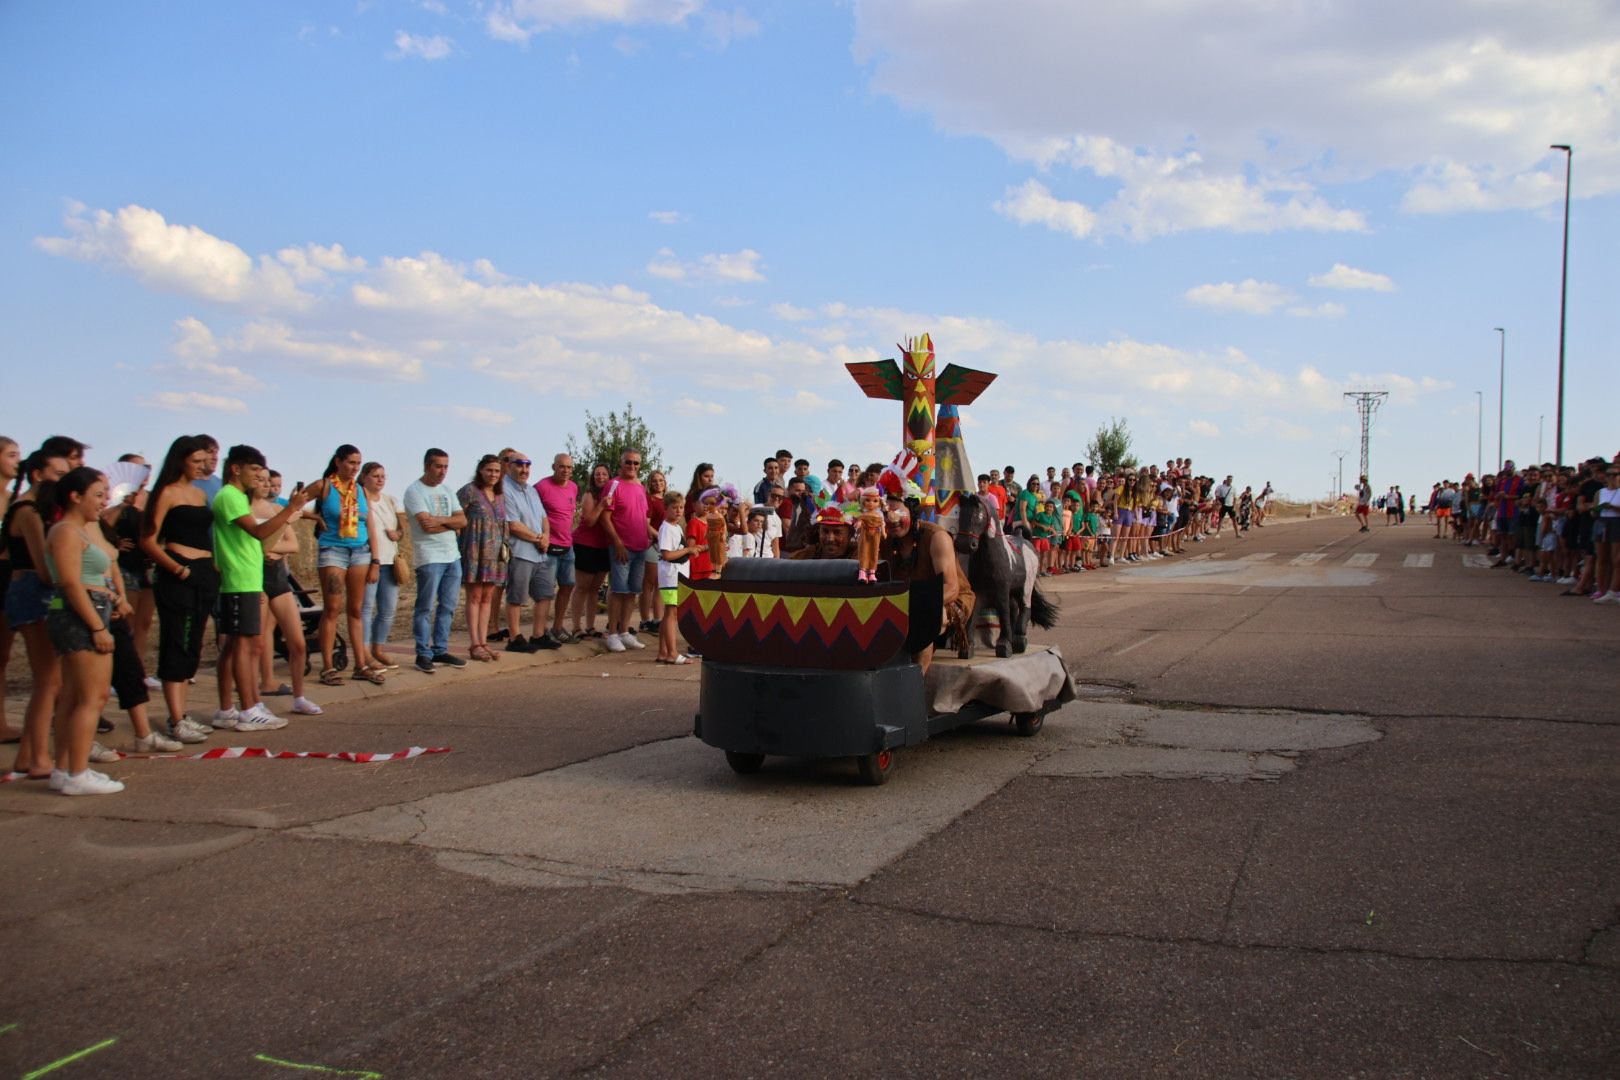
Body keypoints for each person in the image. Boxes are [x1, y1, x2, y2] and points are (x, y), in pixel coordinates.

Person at [211, 445, 309, 730]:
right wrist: (290, 510)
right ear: (235, 469)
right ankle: (248, 708)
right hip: (240, 578)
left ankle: (228, 708)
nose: (258, 476)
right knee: (244, 645)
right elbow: (258, 532)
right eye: (253, 470)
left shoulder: (235, 497)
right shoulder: (229, 496)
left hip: (248, 577)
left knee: (234, 646)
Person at [42, 467, 125, 794]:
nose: (104, 501)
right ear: (75, 497)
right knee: (94, 697)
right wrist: (96, 627)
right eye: (98, 495)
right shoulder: (65, 531)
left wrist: (113, 597)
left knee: (76, 697)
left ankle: (64, 769)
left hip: (92, 609)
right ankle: (77, 773)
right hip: (80, 617)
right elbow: (71, 584)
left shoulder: (83, 530)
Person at [138, 435, 218, 744]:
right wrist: (176, 568)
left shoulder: (198, 494)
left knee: (193, 643)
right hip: (178, 571)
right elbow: (148, 539)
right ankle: (174, 718)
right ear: (180, 460)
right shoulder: (167, 493)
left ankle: (182, 715)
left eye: (204, 461)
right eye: (195, 461)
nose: (202, 466)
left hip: (204, 571)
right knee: (177, 641)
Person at [5, 448, 72, 777]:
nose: (63, 479)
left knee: (50, 680)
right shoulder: (28, 510)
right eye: (58, 474)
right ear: (37, 475)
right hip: (34, 590)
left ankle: (28, 756)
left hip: (38, 588)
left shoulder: (39, 510)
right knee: (48, 681)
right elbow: (41, 566)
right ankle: (37, 758)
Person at [304, 444, 384, 686]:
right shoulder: (324, 486)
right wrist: (314, 516)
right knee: (332, 608)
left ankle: (361, 664)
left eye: (358, 464)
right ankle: (328, 667)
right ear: (338, 462)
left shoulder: (359, 489)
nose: (354, 468)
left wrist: (376, 560)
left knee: (356, 609)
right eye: (351, 463)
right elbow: (295, 503)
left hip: (360, 550)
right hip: (333, 550)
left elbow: (369, 523)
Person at [881, 497, 973, 675]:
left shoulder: (936, 536)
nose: (892, 519)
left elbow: (951, 588)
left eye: (898, 512)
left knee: (924, 616)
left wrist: (916, 604)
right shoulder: (884, 537)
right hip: (904, 599)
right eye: (886, 513)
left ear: (912, 511)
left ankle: (917, 680)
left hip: (947, 600)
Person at [252, 473, 320, 715]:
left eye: (269, 482)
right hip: (254, 578)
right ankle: (254, 700)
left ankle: (299, 697)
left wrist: (270, 548)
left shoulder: (275, 510)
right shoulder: (243, 511)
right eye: (261, 481)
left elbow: (292, 545)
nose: (266, 486)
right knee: (257, 642)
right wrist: (267, 547)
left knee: (298, 642)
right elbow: (251, 544)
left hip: (278, 577)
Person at [403, 448, 468, 675]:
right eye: (438, 466)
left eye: (446, 466)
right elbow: (425, 525)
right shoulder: (414, 491)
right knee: (425, 606)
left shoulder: (447, 490)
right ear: (427, 466)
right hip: (429, 556)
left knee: (448, 606)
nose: (442, 471)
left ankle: (440, 648)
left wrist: (441, 520)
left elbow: (463, 521)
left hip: (452, 555)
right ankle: (423, 652)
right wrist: (451, 523)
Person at [500, 451, 557, 653]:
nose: (524, 469)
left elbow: (543, 518)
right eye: (519, 465)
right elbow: (513, 525)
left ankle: (538, 634)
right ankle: (515, 638)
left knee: (545, 594)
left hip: (540, 552)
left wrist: (546, 537)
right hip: (521, 552)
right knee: (516, 596)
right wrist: (538, 538)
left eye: (527, 465)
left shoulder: (531, 491)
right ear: (508, 466)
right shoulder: (504, 490)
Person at [599, 449, 652, 653]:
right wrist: (617, 542)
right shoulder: (614, 485)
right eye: (628, 462)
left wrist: (650, 537)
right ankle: (612, 633)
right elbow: (605, 517)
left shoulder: (640, 486)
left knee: (632, 591)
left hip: (640, 547)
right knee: (618, 590)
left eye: (636, 463)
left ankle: (624, 631)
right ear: (621, 463)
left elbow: (642, 516)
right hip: (622, 547)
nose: (632, 467)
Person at [458, 454, 509, 662]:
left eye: (497, 471)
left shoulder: (499, 495)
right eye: (489, 470)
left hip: (495, 554)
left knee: (488, 597)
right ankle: (474, 643)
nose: (493, 474)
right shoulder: (469, 491)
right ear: (480, 470)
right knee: (475, 596)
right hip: (474, 551)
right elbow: (456, 518)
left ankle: (484, 641)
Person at [359, 461, 404, 669]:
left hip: (390, 561)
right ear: (364, 477)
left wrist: (398, 534)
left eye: (383, 476)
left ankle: (378, 648)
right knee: (366, 608)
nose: (380, 480)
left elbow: (400, 528)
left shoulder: (389, 501)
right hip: (368, 560)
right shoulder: (360, 499)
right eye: (376, 475)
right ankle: (365, 652)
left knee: (388, 609)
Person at [654, 490, 700, 665]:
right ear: (666, 509)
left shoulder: (677, 527)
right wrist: (688, 550)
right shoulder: (666, 528)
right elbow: (667, 554)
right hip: (671, 575)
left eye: (681, 507)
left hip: (676, 575)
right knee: (672, 614)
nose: (679, 511)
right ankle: (672, 652)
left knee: (669, 613)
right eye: (674, 507)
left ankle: (663, 652)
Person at [536, 453, 577, 645]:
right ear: (554, 467)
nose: (566, 471)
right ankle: (541, 630)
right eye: (562, 467)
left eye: (569, 467)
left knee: (568, 585)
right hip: (548, 546)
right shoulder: (541, 487)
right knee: (546, 591)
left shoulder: (573, 487)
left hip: (567, 545)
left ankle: (558, 627)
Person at [570, 463, 613, 640]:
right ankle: (576, 627)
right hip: (586, 545)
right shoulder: (590, 495)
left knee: (595, 589)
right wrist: (602, 505)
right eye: (597, 474)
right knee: (582, 587)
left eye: (604, 474)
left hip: (604, 546)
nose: (601, 477)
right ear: (592, 477)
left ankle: (590, 626)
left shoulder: (611, 495)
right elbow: (589, 521)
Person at [0, 435, 20, 742]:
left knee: (2, 656)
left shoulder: (14, 498)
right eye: (12, 454)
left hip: (10, 574)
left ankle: (1, 722)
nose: (18, 460)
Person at [640, 469, 669, 633]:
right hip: (652, 544)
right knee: (649, 584)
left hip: (664, 546)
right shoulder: (650, 500)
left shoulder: (667, 500)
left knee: (660, 584)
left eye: (661, 480)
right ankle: (645, 619)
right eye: (654, 481)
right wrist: (659, 536)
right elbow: (646, 523)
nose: (658, 483)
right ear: (650, 484)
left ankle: (658, 618)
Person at [855, 487, 884, 582]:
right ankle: (862, 572)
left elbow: (882, 524)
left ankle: (872, 573)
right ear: (863, 502)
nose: (871, 503)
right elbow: (860, 522)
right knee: (864, 551)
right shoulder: (863, 515)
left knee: (874, 552)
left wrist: (884, 532)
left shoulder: (879, 516)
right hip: (865, 534)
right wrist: (858, 524)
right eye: (868, 500)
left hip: (876, 535)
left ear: (879, 503)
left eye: (875, 501)